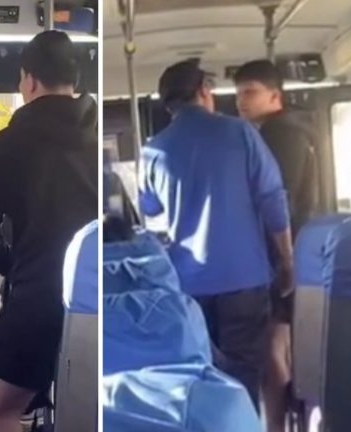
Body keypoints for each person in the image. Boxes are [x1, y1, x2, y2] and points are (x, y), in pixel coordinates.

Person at [0, 30, 98, 432]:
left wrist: (8, 264)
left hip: (39, 293)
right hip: (97, 295)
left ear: (30, 80)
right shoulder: (98, 137)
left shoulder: (9, 143)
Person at [139, 59, 295, 410]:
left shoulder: (153, 150)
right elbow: (273, 199)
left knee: (201, 374)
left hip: (189, 284)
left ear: (168, 104)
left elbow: (150, 209)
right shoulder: (241, 133)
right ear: (203, 92)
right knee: (244, 378)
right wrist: (287, 261)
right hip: (245, 278)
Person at [234, 59, 318, 432]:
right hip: (299, 253)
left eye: (250, 92)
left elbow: (277, 203)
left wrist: (283, 260)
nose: (242, 101)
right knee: (280, 347)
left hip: (285, 256)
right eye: (238, 94)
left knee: (273, 350)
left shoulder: (278, 137)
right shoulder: (293, 131)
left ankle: (276, 426)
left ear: (274, 96)